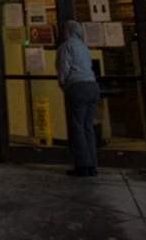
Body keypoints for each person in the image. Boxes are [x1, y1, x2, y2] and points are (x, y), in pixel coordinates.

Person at [56, 18, 100, 177]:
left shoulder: (66, 47)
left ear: (67, 31)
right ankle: (93, 165)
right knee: (88, 126)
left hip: (77, 87)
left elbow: (63, 68)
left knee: (77, 127)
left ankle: (82, 165)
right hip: (92, 86)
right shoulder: (84, 47)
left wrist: (62, 84)